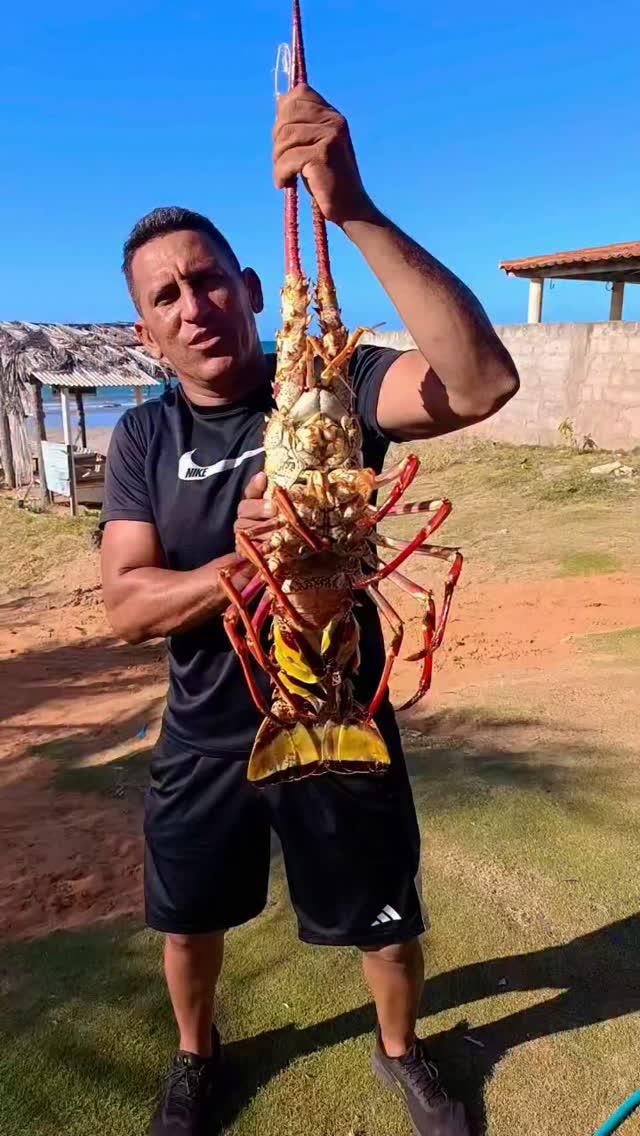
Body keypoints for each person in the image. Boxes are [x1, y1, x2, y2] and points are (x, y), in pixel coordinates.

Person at [101, 82, 518, 1136]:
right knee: (187, 916)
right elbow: (125, 603)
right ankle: (197, 1058)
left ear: (248, 287)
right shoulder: (144, 443)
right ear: (147, 332)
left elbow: (478, 384)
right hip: (207, 733)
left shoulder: (331, 381)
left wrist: (354, 210)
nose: (194, 304)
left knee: (386, 913)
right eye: (166, 296)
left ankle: (401, 1049)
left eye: (208, 280)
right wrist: (236, 566)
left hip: (341, 710)